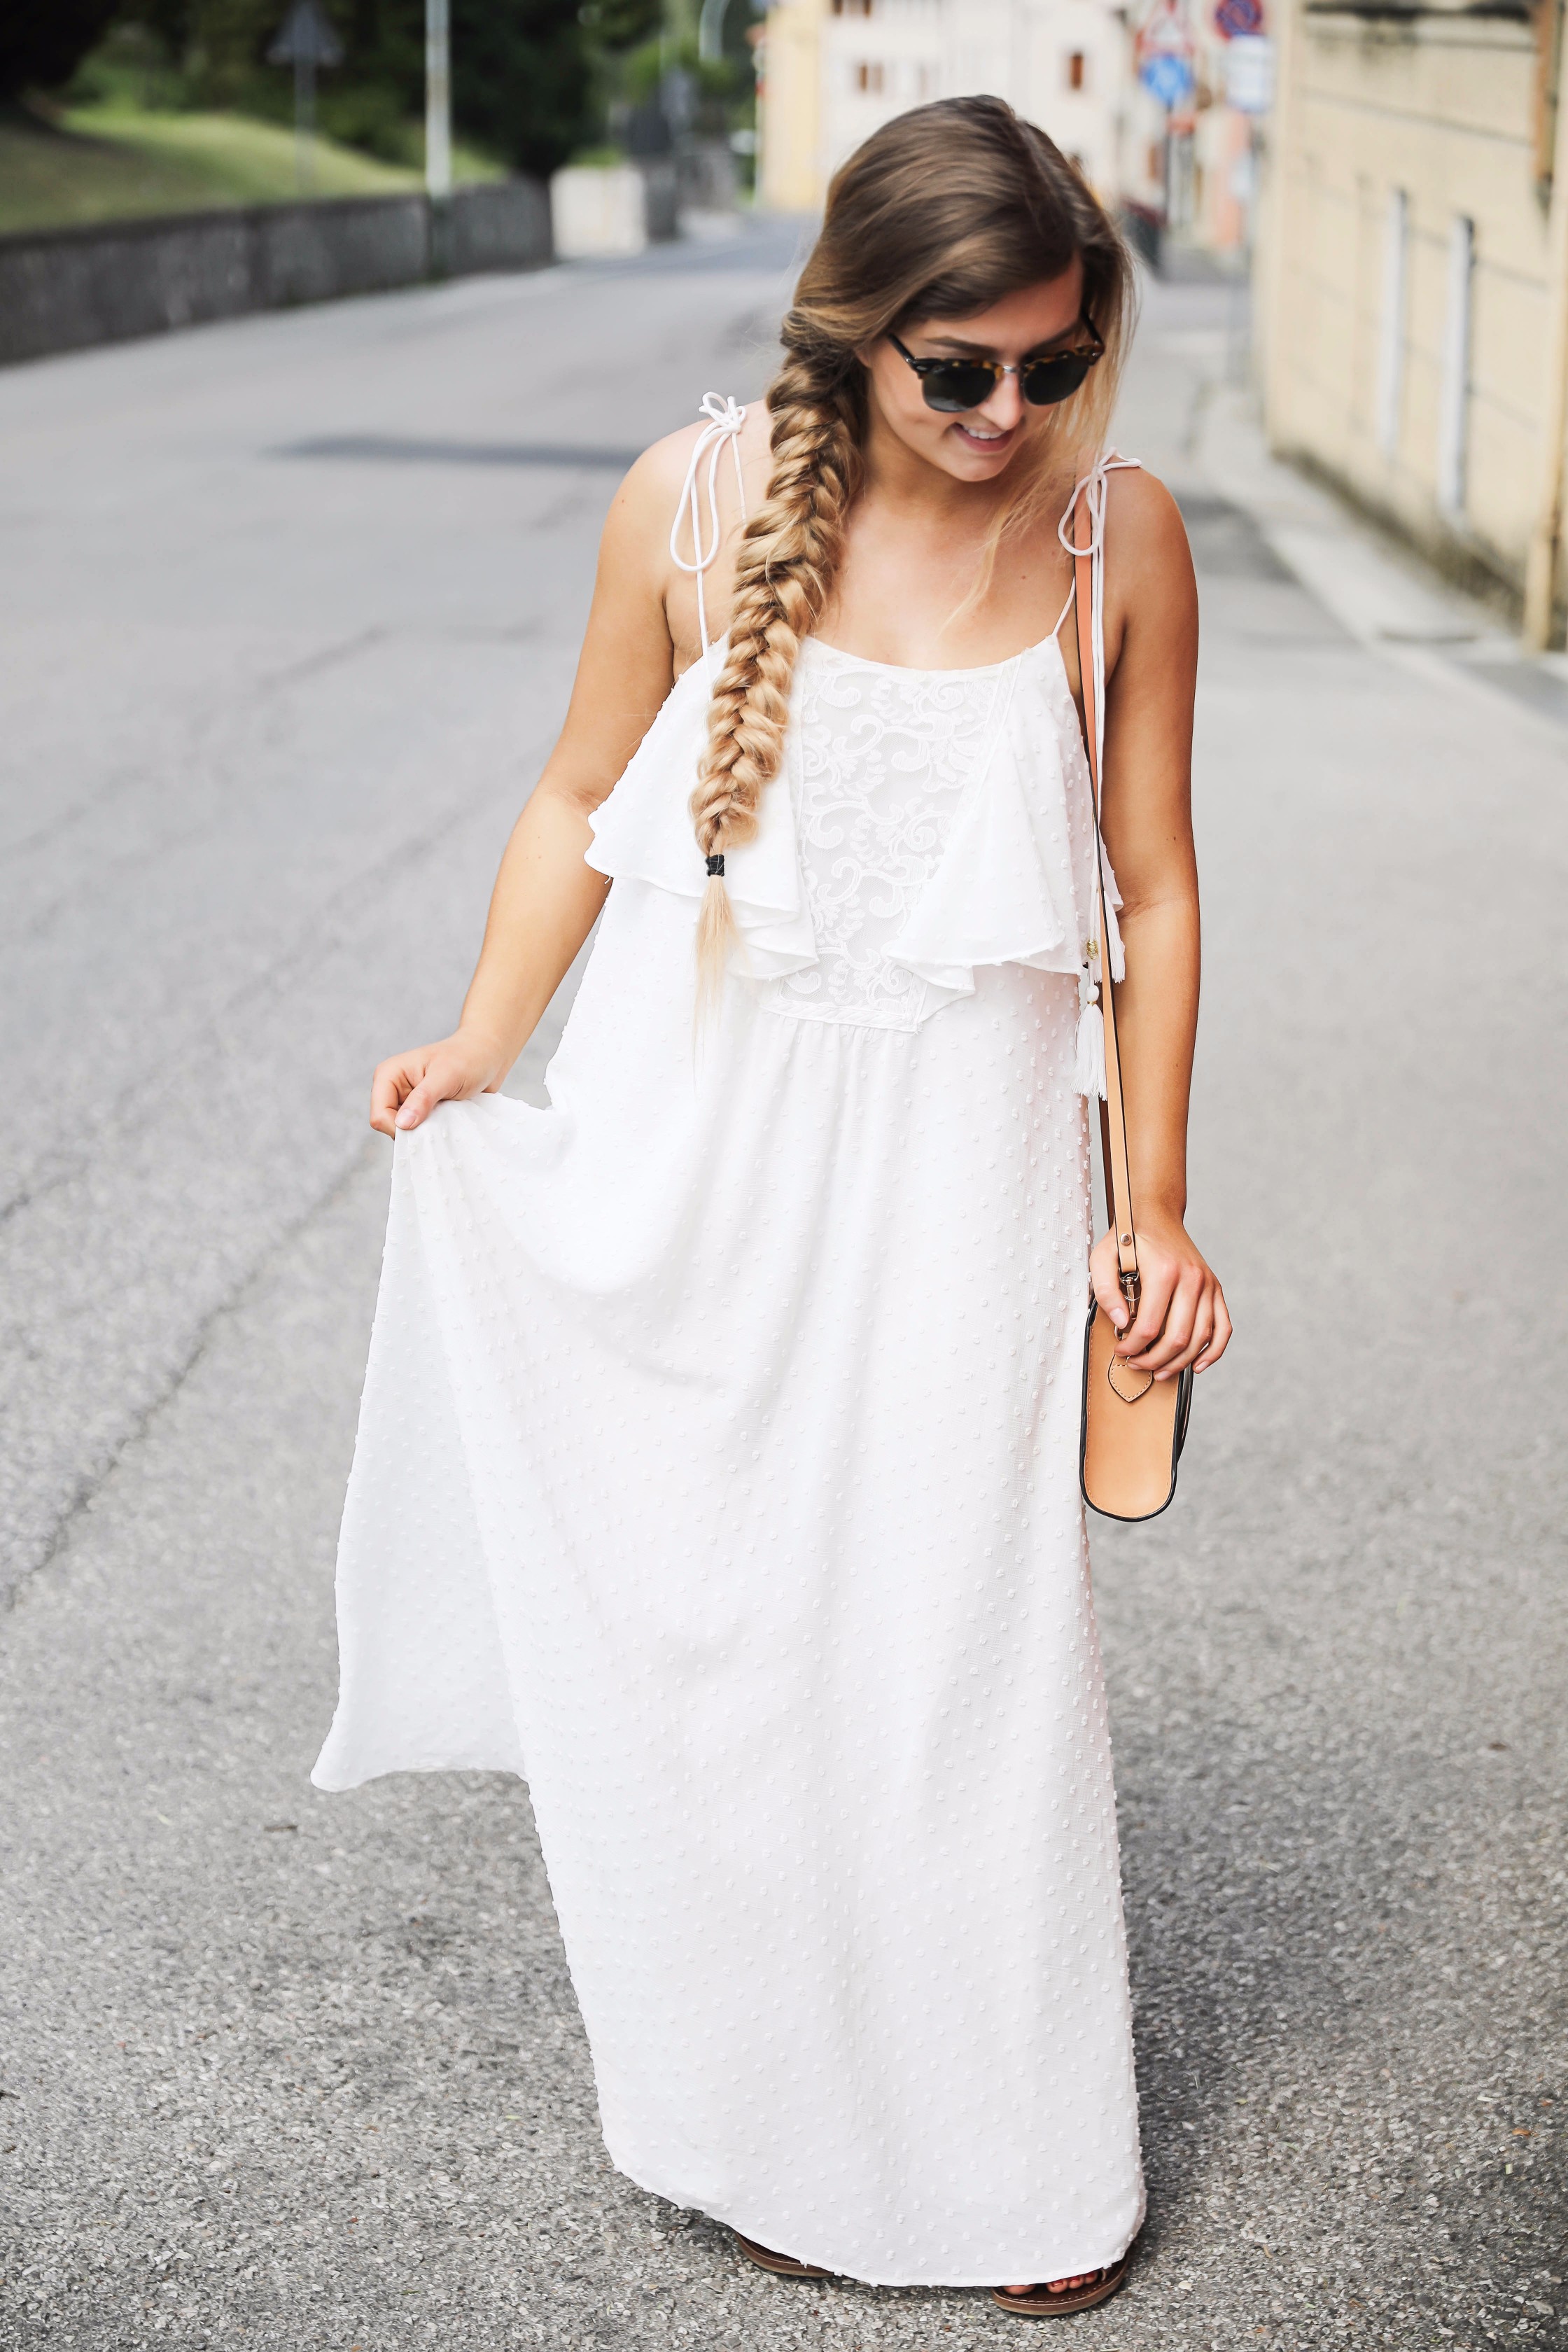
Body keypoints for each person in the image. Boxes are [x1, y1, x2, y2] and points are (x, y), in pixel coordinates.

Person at [313, 95, 1231, 2318]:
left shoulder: (1122, 543)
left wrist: (1166, 1203)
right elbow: (572, 789)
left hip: (967, 1173)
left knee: (956, 1656)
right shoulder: (697, 502)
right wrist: (481, 1042)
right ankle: (756, 2110)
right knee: (722, 1637)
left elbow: (1157, 883)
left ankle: (1020, 2176)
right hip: (694, 1132)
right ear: (856, 330)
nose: (1013, 412)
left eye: (1054, 359)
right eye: (961, 371)